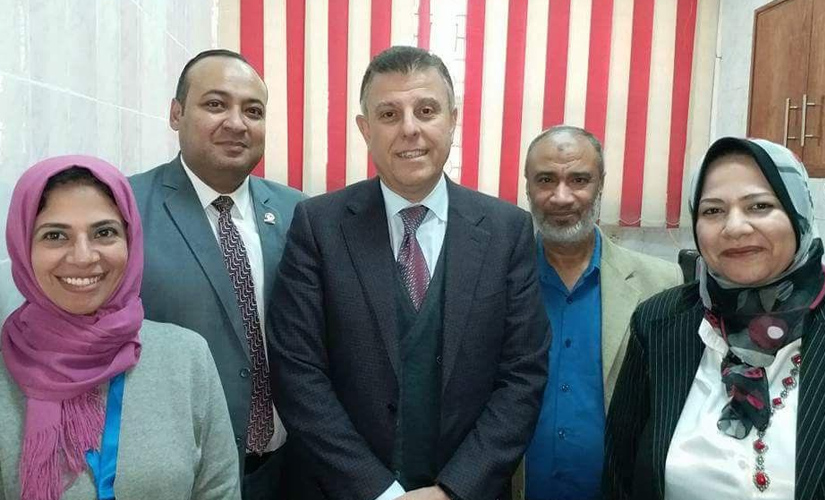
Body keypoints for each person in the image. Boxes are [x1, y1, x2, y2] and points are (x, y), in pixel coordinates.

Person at [268, 45, 550, 500]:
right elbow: (297, 374)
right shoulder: (318, 227)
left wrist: (456, 489)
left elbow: (523, 376)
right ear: (365, 129)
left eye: (426, 110)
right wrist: (380, 492)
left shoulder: (507, 230)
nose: (409, 129)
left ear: (452, 120)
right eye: (388, 114)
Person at [0, 156, 239, 500]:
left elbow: (219, 489)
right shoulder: (6, 367)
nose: (83, 256)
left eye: (104, 232)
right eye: (55, 235)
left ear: (131, 240)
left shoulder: (187, 358)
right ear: (23, 247)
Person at [603, 137, 825, 499]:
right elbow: (619, 477)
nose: (734, 227)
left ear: (798, 211)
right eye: (713, 211)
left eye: (759, 206)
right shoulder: (660, 323)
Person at [129, 49, 304, 499]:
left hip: (289, 469)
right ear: (176, 113)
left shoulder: (298, 212)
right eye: (215, 104)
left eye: (253, 111)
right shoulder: (126, 211)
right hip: (184, 474)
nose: (237, 123)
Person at [516, 126, 683, 500]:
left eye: (579, 180)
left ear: (601, 185)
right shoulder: (498, 280)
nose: (562, 197)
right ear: (528, 187)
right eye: (546, 180)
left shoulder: (661, 283)